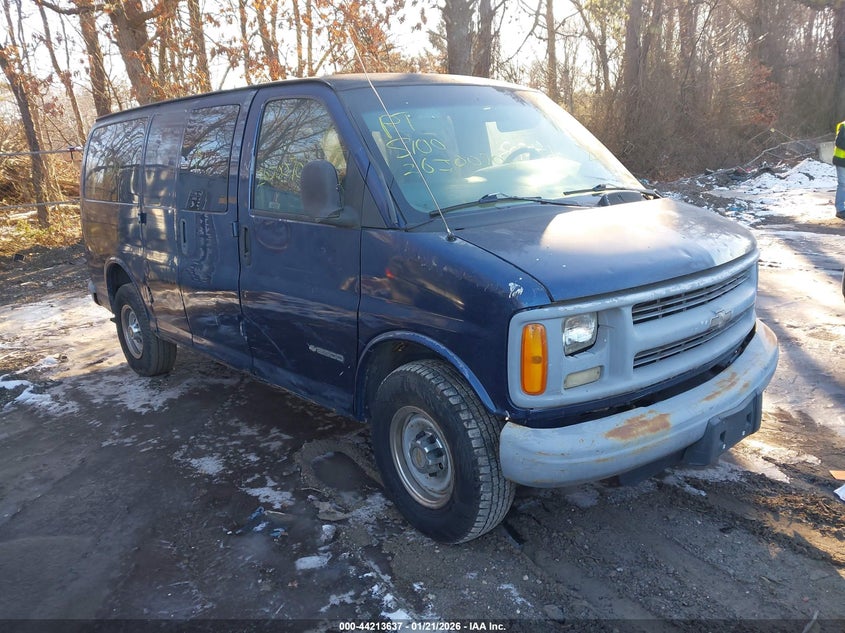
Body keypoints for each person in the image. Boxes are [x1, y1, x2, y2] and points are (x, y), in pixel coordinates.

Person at [833, 119, 845, 219]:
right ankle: (840, 210)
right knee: (842, 185)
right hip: (841, 161)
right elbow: (839, 142)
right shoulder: (844, 126)